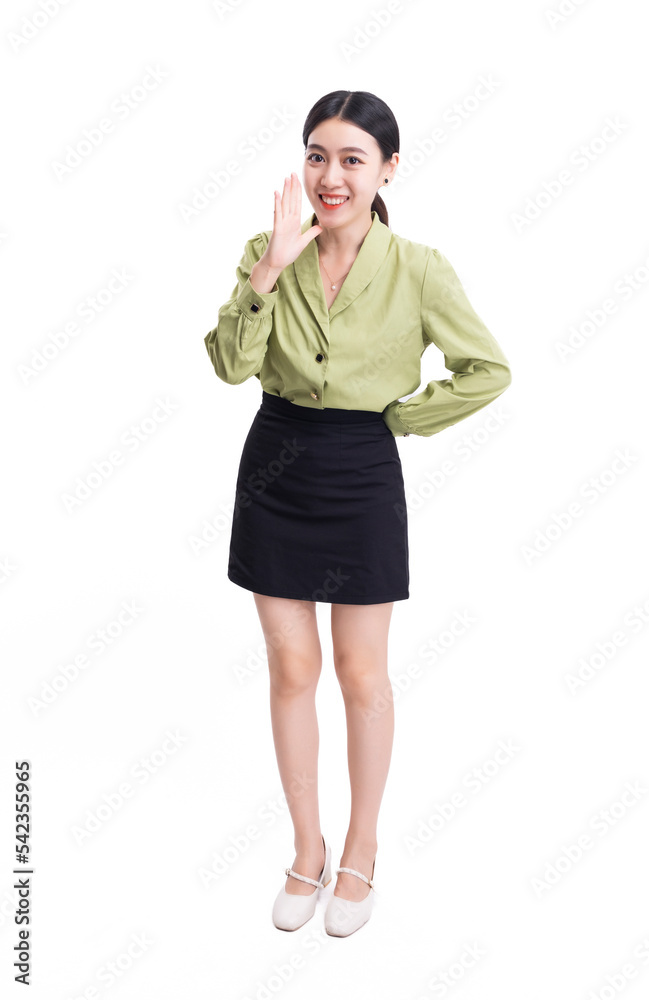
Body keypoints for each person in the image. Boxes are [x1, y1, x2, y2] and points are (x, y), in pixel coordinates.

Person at [203, 90, 512, 937]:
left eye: (349, 159)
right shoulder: (267, 251)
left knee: (361, 673)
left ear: (386, 169)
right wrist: (267, 272)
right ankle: (306, 849)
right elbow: (231, 367)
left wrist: (396, 418)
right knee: (291, 671)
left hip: (361, 474)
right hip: (276, 462)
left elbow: (487, 368)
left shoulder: (418, 267)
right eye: (316, 155)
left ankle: (361, 850)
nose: (329, 176)